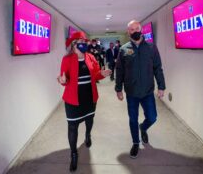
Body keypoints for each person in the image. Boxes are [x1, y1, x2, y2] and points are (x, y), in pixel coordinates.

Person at [57, 31, 111, 172]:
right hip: (72, 99)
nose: (84, 44)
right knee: (72, 127)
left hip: (89, 97)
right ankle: (74, 153)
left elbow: (96, 75)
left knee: (89, 119)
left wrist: (102, 74)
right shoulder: (67, 59)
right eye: (81, 42)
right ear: (74, 45)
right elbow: (64, 78)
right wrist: (62, 81)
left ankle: (88, 135)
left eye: (85, 42)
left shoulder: (91, 57)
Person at [115, 20, 166, 159]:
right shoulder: (123, 49)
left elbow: (157, 68)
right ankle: (135, 143)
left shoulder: (151, 47)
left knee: (152, 117)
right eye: (131, 29)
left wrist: (161, 86)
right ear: (128, 32)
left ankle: (143, 128)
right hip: (131, 92)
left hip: (147, 92)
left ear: (141, 29)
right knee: (133, 119)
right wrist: (118, 89)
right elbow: (119, 71)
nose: (135, 31)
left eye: (137, 28)